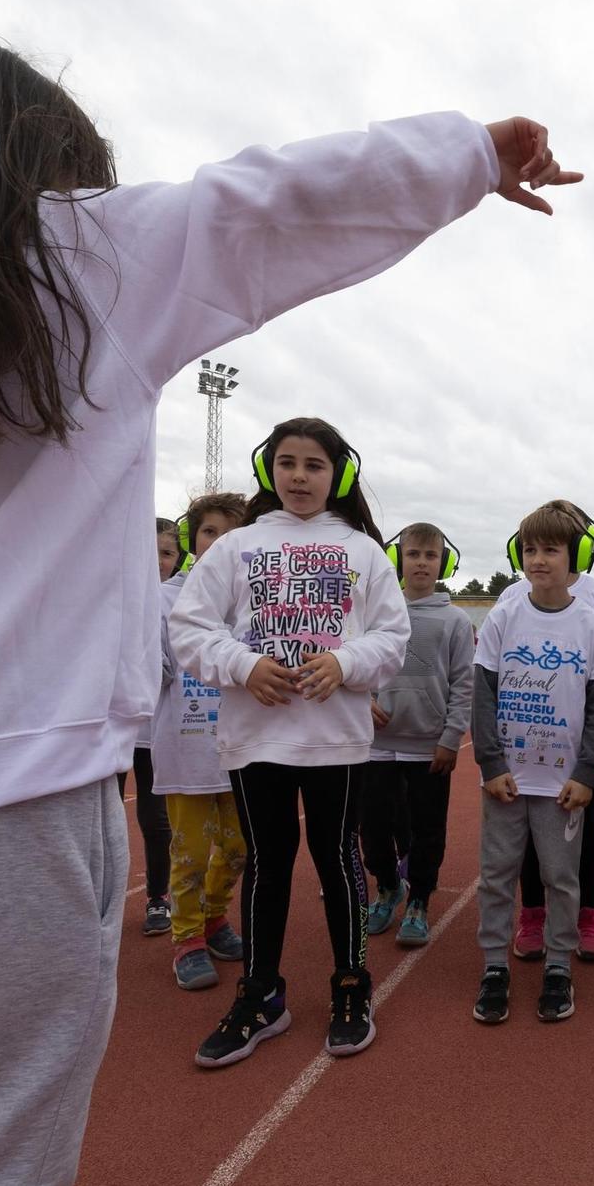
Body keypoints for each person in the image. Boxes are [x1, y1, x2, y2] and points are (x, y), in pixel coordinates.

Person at [0, 34, 581, 1186]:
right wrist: (470, 154)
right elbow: (268, 200)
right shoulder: (80, 251)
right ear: (43, 156)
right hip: (3, 760)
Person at [172, 418, 409, 1064]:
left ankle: (352, 984)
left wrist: (346, 664)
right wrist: (243, 665)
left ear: (340, 475)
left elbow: (392, 638)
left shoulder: (362, 550)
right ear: (267, 470)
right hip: (256, 739)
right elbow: (188, 628)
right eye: (287, 463)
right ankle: (260, 993)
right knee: (268, 865)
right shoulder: (237, 546)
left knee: (338, 863)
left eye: (314, 464)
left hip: (337, 740)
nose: (300, 476)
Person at [470, 504, 594, 1023]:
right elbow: (482, 698)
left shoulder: (592, 625)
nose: (538, 559)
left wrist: (586, 774)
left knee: (560, 875)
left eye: (551, 549)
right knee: (496, 875)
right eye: (530, 549)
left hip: (561, 785)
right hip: (506, 780)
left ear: (574, 556)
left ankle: (558, 965)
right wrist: (489, 764)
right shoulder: (503, 617)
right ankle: (494, 968)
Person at [503, 499, 594, 961]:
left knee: (583, 828)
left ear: (581, 547)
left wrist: (582, 711)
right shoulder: (514, 597)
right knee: (528, 831)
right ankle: (532, 913)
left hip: (577, 740)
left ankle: (587, 914)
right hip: (523, 741)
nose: (541, 558)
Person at [154, 493, 252, 991]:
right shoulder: (166, 599)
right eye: (210, 531)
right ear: (194, 540)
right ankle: (187, 937)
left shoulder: (252, 602)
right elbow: (154, 671)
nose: (220, 542)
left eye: (232, 533)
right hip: (186, 750)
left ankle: (215, 917)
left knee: (237, 848)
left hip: (240, 749)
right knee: (189, 851)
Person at [364, 522, 474, 947]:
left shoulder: (455, 620)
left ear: (443, 562)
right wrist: (359, 703)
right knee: (373, 828)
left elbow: (464, 681)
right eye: (414, 554)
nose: (422, 563)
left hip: (429, 747)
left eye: (431, 555)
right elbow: (356, 664)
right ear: (399, 559)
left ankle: (420, 900)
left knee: (428, 829)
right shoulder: (378, 611)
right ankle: (389, 886)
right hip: (375, 745)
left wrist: (450, 737)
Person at [128, 515, 184, 937]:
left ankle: (158, 897)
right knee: (102, 816)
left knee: (154, 818)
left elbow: (171, 665)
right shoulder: (116, 593)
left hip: (152, 728)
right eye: (150, 550)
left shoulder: (174, 600)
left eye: (166, 552)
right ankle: (97, 898)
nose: (157, 560)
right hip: (112, 727)